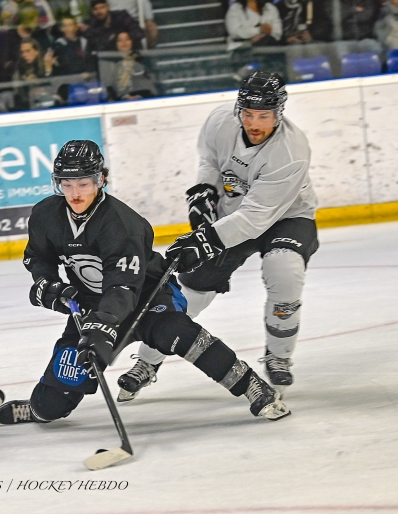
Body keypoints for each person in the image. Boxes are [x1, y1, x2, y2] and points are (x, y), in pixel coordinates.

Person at [0, 140, 290, 427]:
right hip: (92, 308)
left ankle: (251, 385)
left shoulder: (122, 224)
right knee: (50, 407)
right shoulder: (46, 214)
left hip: (148, 298)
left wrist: (103, 324)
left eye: (83, 184)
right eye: (66, 184)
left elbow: (123, 287)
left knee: (177, 332)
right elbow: (38, 256)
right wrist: (47, 284)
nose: (74, 193)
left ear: (101, 180)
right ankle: (36, 408)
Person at [117, 72, 318, 402]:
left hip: (287, 218)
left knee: (285, 273)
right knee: (191, 289)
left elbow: (256, 219)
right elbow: (210, 159)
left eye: (263, 116)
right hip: (230, 216)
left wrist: (206, 240)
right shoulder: (220, 121)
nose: (254, 123)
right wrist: (203, 191)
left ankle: (278, 355)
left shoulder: (292, 151)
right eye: (248, 114)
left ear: (279, 113)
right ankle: (148, 360)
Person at [100, 31, 156, 101]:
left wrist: (138, 96)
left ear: (132, 42)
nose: (124, 42)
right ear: (116, 44)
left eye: (127, 39)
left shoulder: (142, 62)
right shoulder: (110, 65)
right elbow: (109, 87)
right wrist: (125, 96)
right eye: (120, 40)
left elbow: (150, 84)